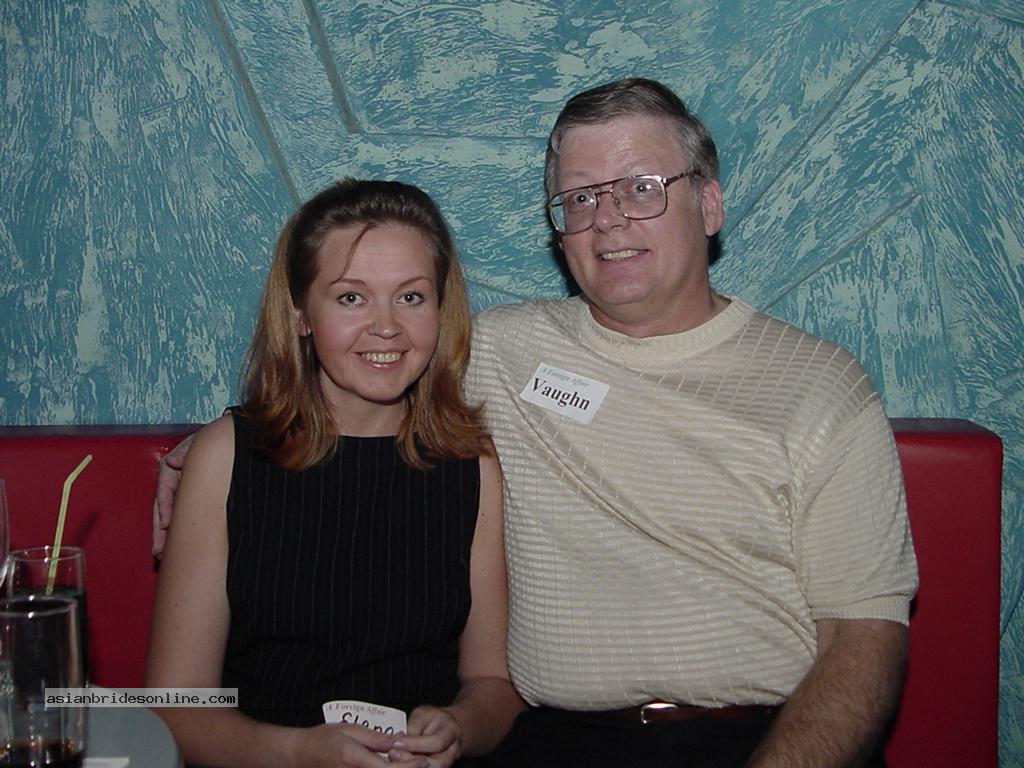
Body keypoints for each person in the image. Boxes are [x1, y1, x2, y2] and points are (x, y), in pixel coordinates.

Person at [156, 80, 918, 767]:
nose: (608, 219)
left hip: (756, 736)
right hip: (559, 742)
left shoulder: (820, 387)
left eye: (642, 188)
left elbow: (863, 641)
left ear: (710, 204)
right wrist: (216, 449)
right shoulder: (503, 351)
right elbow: (367, 375)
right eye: (580, 198)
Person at [146, 178, 523, 768]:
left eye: (411, 296)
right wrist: (298, 752)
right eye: (351, 298)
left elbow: (493, 685)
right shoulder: (226, 456)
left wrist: (459, 727)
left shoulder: (473, 464)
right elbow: (175, 706)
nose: (386, 326)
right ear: (301, 313)